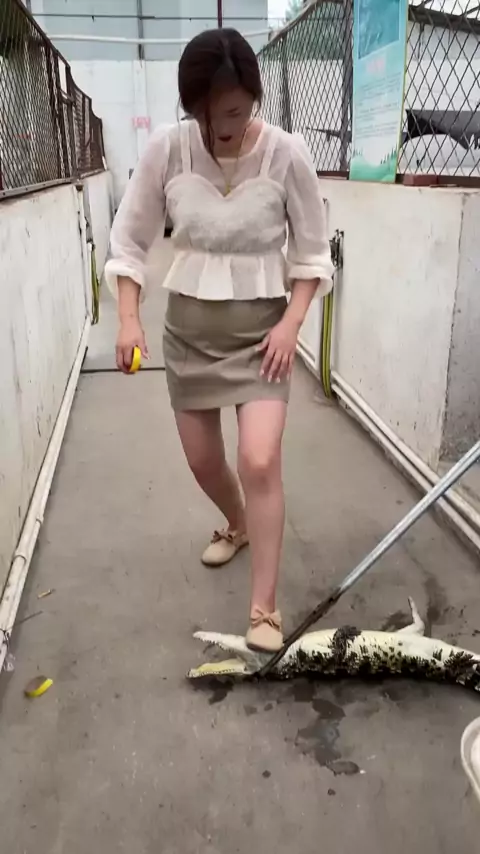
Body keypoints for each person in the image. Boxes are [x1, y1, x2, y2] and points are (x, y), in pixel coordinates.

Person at [104, 28, 334, 652]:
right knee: (205, 461)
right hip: (189, 338)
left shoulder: (286, 154)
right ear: (191, 106)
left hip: (264, 340)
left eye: (235, 111)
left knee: (258, 460)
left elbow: (313, 254)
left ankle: (264, 609)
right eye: (209, 116)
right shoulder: (168, 149)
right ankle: (237, 522)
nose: (222, 127)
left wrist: (291, 323)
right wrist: (128, 318)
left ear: (253, 97)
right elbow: (129, 240)